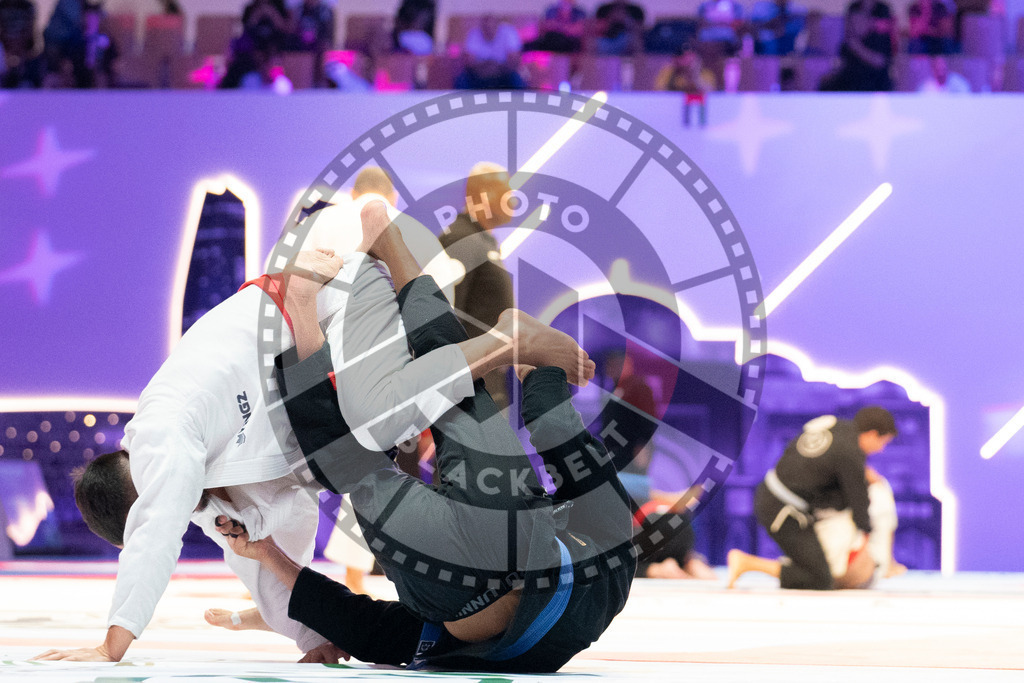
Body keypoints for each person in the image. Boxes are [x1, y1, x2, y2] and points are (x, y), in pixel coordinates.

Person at [33, 201, 594, 663]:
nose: (177, 513)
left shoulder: (160, 431)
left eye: (158, 507)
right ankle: (394, 249)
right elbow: (268, 550)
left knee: (371, 422)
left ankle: (501, 339)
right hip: (328, 361)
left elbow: (155, 531)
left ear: (139, 494)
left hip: (332, 295)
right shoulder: (203, 498)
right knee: (388, 433)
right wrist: (314, 635)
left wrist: (115, 640)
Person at [219, 206, 635, 671]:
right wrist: (267, 555)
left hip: (515, 538)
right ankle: (305, 302)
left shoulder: (612, 567)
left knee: (457, 386)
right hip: (456, 585)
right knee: (349, 461)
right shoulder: (461, 640)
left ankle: (408, 260)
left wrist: (548, 375)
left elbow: (556, 428)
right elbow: (368, 627)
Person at [726, 406, 897, 590]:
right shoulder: (851, 455)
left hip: (772, 495)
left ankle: (752, 563)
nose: (880, 450)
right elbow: (859, 509)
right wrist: (868, 543)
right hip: (782, 511)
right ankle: (746, 564)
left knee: (817, 567)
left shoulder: (834, 425)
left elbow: (815, 464)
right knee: (819, 578)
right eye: (883, 443)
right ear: (872, 434)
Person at [439, 162, 516, 410]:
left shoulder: (484, 241)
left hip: (487, 386)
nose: (512, 198)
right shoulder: (461, 239)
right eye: (505, 190)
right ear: (482, 195)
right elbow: (442, 317)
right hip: (466, 394)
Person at [819, 0, 896, 92]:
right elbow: (842, 64)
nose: (854, 25)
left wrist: (856, 47)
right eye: (852, 21)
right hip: (849, 79)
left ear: (869, 22)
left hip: (873, 80)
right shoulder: (848, 42)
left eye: (860, 21)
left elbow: (880, 62)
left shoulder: (877, 40)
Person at [455, 15, 526, 90]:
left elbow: (514, 62)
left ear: (498, 24)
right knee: (461, 80)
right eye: (486, 26)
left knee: (517, 80)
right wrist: (486, 68)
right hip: (479, 74)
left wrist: (496, 68)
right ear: (482, 26)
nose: (489, 28)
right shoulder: (474, 33)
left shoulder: (509, 32)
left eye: (492, 25)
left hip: (503, 74)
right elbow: (468, 62)